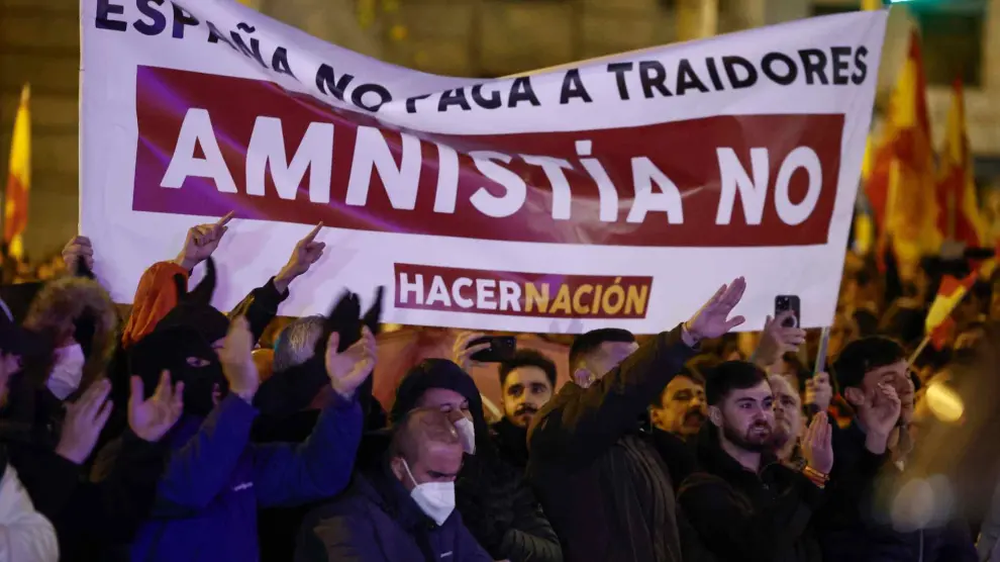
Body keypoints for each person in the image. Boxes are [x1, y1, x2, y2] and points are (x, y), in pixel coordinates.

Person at [528, 277, 747, 562]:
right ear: (584, 377)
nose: (639, 376)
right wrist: (685, 336)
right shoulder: (556, 429)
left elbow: (674, 537)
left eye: (638, 363)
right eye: (624, 367)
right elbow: (621, 391)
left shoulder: (644, 442)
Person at [127, 312, 370, 562]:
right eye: (198, 364)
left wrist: (342, 397)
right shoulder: (131, 459)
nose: (216, 372)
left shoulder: (238, 454)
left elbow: (317, 473)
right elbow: (191, 487)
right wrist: (240, 398)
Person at [384, 358, 561, 562]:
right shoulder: (385, 485)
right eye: (444, 410)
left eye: (465, 407)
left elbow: (550, 552)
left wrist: (497, 534)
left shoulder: (499, 472)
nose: (460, 419)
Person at [817, 336, 976, 561]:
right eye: (890, 380)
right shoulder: (831, 457)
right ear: (855, 394)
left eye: (908, 375)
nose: (907, 387)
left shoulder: (928, 459)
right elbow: (840, 539)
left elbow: (958, 546)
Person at [678, 361, 831, 562]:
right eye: (746, 405)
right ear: (716, 415)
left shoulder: (782, 478)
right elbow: (759, 549)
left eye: (767, 403)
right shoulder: (700, 489)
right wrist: (813, 475)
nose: (762, 415)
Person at [296, 408, 492, 562]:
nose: (446, 487)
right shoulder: (343, 523)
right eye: (436, 475)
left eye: (453, 476)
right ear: (399, 467)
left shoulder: (445, 517)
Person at [490, 348, 557, 469]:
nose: (525, 399)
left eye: (537, 390)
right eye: (515, 391)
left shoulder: (574, 448)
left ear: (554, 398)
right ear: (503, 401)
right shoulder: (484, 447)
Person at [650, 360, 709, 440]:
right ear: (655, 415)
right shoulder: (643, 451)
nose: (696, 402)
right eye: (683, 397)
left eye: (701, 398)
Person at [769, 374, 805, 466]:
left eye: (787, 401)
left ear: (802, 425)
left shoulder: (815, 466)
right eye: (768, 402)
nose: (777, 406)